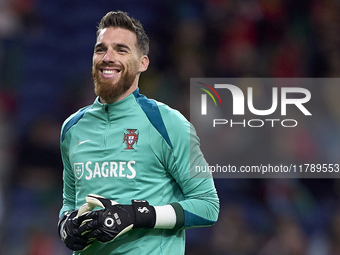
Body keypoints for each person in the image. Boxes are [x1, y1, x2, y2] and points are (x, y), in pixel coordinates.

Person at [58, 10, 219, 255]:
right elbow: (70, 202)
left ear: (143, 63)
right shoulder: (72, 128)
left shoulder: (167, 123)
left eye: (121, 50)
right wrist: (66, 225)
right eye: (101, 49)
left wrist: (136, 215)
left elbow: (208, 206)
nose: (108, 57)